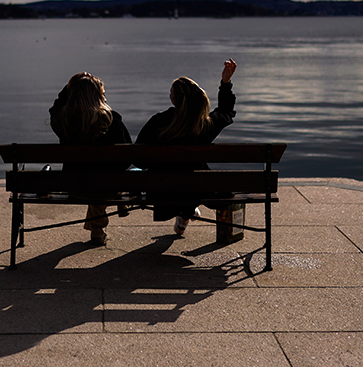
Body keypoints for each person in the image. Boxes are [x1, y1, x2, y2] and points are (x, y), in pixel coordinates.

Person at [136, 59, 237, 235]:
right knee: (195, 176)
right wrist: (225, 83)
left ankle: (186, 213)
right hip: (196, 189)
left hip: (162, 191)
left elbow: (137, 159)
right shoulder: (205, 125)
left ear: (173, 98)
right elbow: (226, 111)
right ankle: (187, 211)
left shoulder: (158, 122)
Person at [49, 72, 131, 245]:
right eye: (102, 95)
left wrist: (71, 86)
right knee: (103, 178)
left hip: (74, 186)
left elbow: (55, 107)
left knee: (92, 178)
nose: (106, 100)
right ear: (96, 97)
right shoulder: (112, 121)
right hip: (108, 188)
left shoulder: (64, 123)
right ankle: (98, 228)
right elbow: (127, 159)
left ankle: (97, 230)